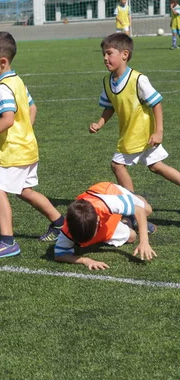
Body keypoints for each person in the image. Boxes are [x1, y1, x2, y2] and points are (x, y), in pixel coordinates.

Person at [0, 32, 65, 258]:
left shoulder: (1, 88)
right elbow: (32, 107)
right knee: (24, 191)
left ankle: (8, 242)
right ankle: (60, 224)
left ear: (3, 62)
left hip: (14, 151)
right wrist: (25, 130)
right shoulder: (16, 80)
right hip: (28, 146)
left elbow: (7, 119)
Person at [89, 33, 180, 196]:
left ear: (125, 55)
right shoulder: (107, 81)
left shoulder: (138, 79)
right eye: (104, 54)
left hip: (139, 133)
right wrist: (100, 123)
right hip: (132, 132)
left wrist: (159, 131)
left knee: (117, 165)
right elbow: (110, 106)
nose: (105, 58)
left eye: (109, 53)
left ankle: (133, 208)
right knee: (156, 166)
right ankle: (135, 207)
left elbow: (156, 103)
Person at [54, 182, 156, 270]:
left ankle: (130, 199)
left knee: (147, 210)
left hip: (111, 191)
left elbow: (139, 210)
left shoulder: (107, 203)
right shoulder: (69, 229)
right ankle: (126, 217)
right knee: (132, 236)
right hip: (107, 214)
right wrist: (86, 260)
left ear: (98, 221)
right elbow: (59, 255)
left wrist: (144, 242)